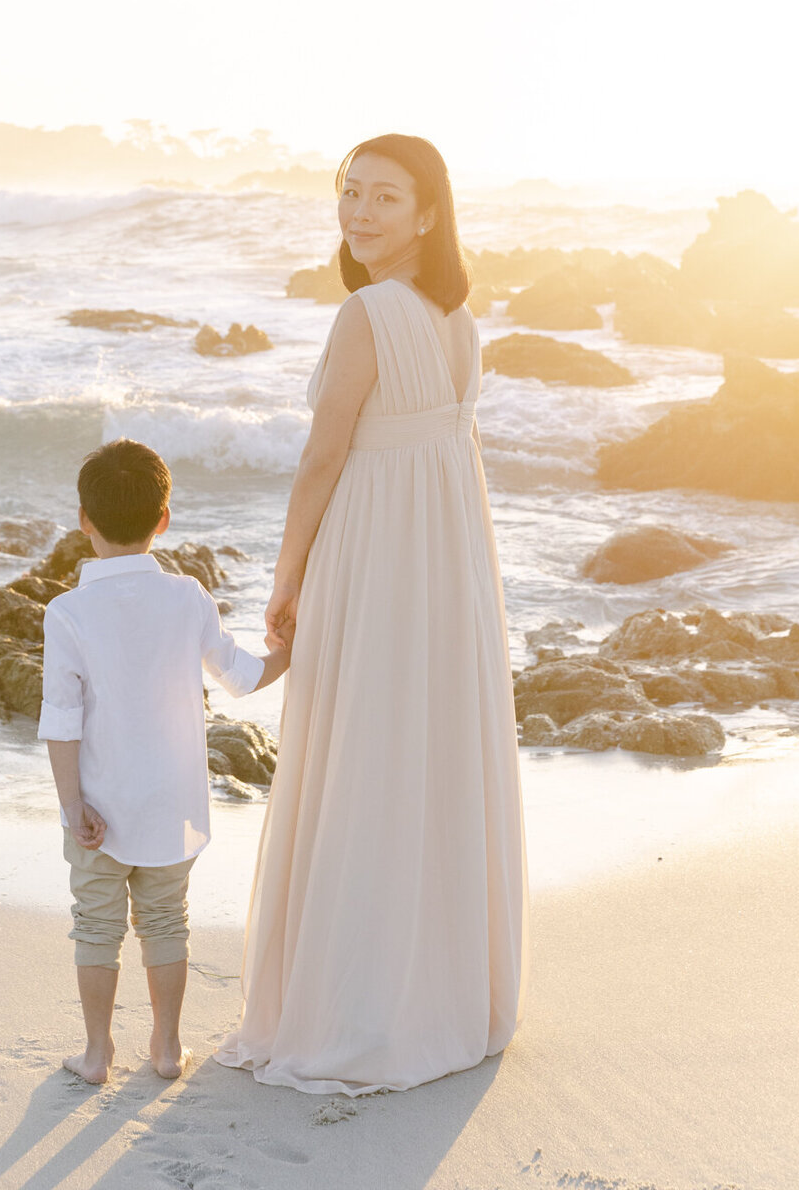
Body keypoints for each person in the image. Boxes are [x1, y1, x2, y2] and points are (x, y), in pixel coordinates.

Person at [214, 133, 529, 1094]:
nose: (359, 212)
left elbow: (324, 460)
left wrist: (286, 577)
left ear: (429, 214)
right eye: (350, 192)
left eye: (386, 198)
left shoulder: (368, 313)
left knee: (361, 756)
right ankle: (446, 997)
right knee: (426, 756)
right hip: (442, 564)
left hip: (374, 552)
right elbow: (452, 458)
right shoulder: (456, 319)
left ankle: (360, 1008)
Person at [39, 437, 291, 1084]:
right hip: (172, 803)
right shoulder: (188, 596)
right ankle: (167, 1048)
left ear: (83, 519)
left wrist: (73, 806)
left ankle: (96, 1054)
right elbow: (240, 677)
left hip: (98, 801)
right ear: (163, 519)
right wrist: (291, 649)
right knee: (165, 923)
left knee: (95, 926)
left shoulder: (66, 613)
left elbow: (62, 722)